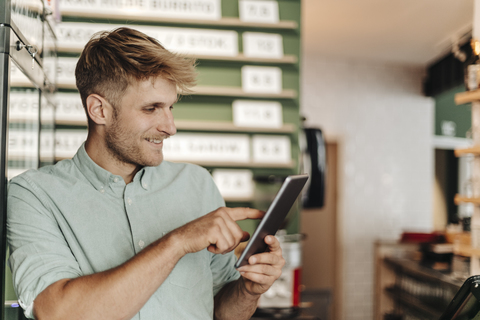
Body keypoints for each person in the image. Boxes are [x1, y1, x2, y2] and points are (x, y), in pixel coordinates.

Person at [7, 27, 285, 320]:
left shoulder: (197, 184)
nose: (170, 127)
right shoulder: (35, 195)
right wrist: (177, 242)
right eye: (151, 108)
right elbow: (57, 312)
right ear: (99, 110)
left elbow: (221, 311)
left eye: (170, 107)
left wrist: (249, 290)